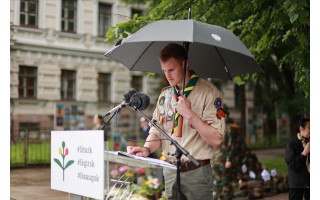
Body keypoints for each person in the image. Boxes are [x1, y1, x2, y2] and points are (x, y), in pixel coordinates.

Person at [127, 43, 226, 200]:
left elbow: (217, 140)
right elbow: (156, 131)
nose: (168, 75)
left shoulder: (209, 93)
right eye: (164, 70)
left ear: (185, 64)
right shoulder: (165, 96)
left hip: (197, 173)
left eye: (172, 70)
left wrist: (190, 114)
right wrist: (146, 149)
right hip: (171, 171)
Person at [212, 106, 237, 200]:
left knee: (225, 182)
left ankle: (227, 197)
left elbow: (231, 145)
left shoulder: (229, 128)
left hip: (224, 160)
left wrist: (229, 160)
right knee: (217, 183)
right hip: (215, 159)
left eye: (222, 114)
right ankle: (219, 198)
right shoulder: (215, 127)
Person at [285, 118, 310, 200]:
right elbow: (292, 165)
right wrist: (304, 153)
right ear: (301, 128)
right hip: (297, 184)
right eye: (309, 128)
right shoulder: (292, 144)